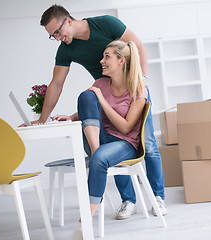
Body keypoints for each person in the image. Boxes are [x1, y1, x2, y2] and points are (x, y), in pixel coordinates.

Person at [38, 4, 167, 218]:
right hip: (107, 93)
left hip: (134, 89)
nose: (58, 38)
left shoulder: (106, 23)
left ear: (68, 20)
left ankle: (158, 197)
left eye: (58, 32)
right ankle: (128, 200)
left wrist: (140, 82)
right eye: (53, 36)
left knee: (149, 144)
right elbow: (56, 83)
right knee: (110, 143)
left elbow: (137, 46)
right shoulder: (66, 49)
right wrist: (42, 119)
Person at [66, 40, 146, 239]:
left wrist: (102, 99)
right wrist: (71, 117)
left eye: (107, 57)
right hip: (100, 139)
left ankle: (88, 214)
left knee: (101, 157)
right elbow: (90, 107)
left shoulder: (137, 88)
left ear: (121, 61)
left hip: (125, 143)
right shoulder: (101, 84)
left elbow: (126, 127)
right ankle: (96, 152)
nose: (101, 61)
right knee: (86, 96)